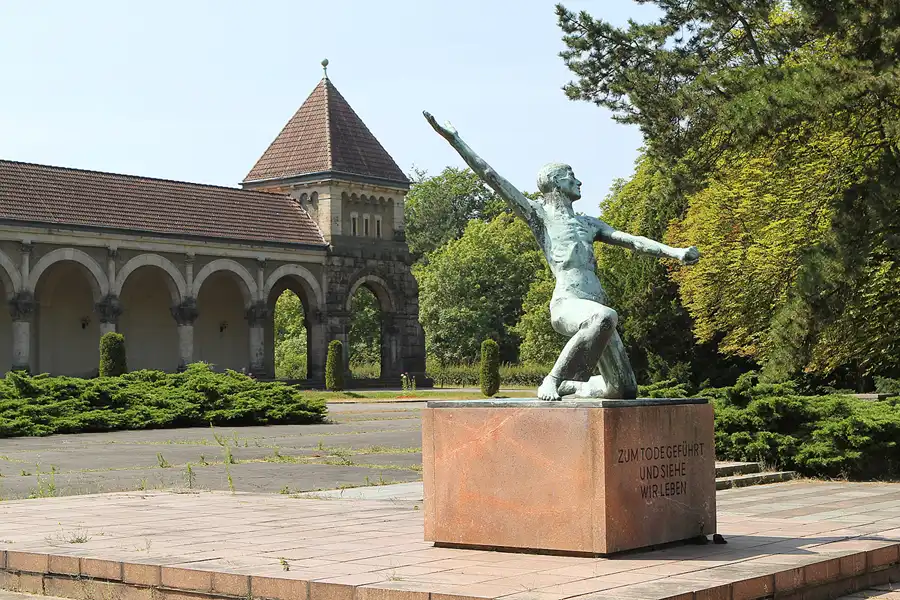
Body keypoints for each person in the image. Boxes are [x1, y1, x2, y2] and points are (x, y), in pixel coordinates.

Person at [424, 112, 700, 400]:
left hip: (598, 311)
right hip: (569, 303)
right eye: (572, 177)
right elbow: (492, 178)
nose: (579, 181)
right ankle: (553, 380)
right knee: (604, 316)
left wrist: (676, 252)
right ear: (556, 183)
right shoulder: (539, 216)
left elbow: (633, 241)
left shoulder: (589, 224)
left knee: (623, 388)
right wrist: (455, 140)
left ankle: (574, 386)